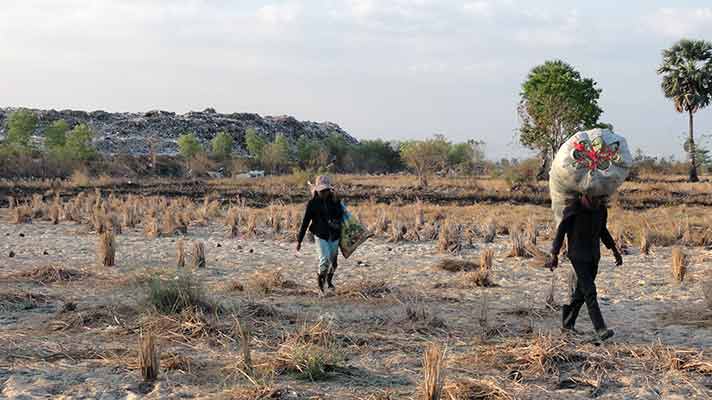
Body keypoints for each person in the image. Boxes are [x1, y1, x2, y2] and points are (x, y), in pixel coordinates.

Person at [549, 193, 623, 341]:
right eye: (593, 198)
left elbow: (603, 231)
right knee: (590, 291)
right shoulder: (573, 209)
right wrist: (555, 254)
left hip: (594, 256)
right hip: (577, 256)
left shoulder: (601, 210)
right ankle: (600, 329)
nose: (596, 201)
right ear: (585, 196)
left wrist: (615, 250)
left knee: (581, 293)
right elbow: (561, 231)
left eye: (599, 198)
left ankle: (567, 323)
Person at [296, 176, 344, 295]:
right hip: (320, 235)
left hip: (334, 235)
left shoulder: (335, 201)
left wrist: (337, 204)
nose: (324, 193)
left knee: (334, 262)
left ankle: (329, 281)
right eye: (322, 190)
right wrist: (299, 241)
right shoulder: (312, 203)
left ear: (329, 190)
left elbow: (340, 215)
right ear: (317, 190)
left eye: (326, 190)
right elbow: (305, 222)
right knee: (324, 259)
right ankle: (320, 286)